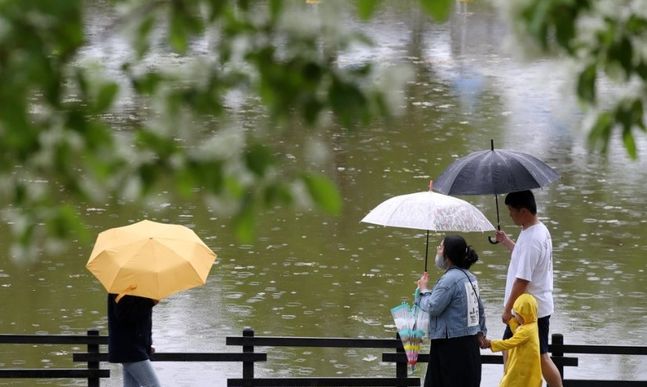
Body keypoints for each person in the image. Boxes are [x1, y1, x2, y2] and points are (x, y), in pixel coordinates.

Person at [495, 190, 562, 387]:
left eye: (511, 211)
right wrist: (506, 241)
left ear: (524, 211)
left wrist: (507, 309)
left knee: (540, 356)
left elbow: (523, 280)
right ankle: (511, 381)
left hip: (531, 311)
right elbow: (523, 256)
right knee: (509, 347)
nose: (510, 215)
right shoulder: (535, 230)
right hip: (528, 309)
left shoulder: (533, 238)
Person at [415, 235, 487, 387]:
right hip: (469, 345)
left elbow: (432, 307)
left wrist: (423, 290)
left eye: (441, 247)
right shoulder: (470, 277)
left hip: (451, 347)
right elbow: (479, 309)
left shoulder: (449, 279)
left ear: (448, 255)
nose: (437, 250)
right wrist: (481, 332)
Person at [483, 293, 542, 387]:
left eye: (517, 314)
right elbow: (518, 331)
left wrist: (490, 344)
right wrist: (511, 321)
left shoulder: (526, 331)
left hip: (522, 367)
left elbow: (510, 343)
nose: (515, 316)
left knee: (509, 383)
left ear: (524, 315)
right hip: (526, 365)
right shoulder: (531, 323)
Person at [108, 293, 162, 387]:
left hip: (134, 347)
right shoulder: (121, 287)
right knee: (153, 385)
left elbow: (139, 323)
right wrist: (150, 302)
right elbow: (125, 316)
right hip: (129, 348)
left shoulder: (136, 287)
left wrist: (147, 345)